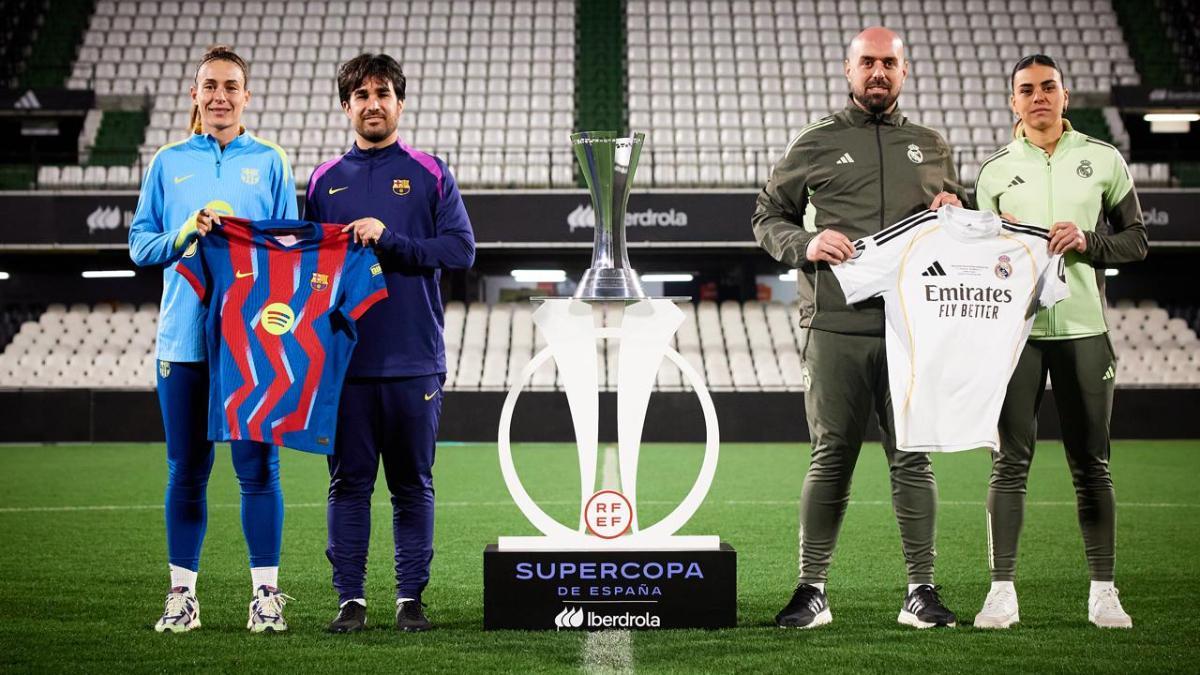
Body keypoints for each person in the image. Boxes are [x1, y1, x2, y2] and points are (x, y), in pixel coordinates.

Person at [752, 27, 966, 629]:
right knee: (831, 457)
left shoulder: (932, 145)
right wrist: (806, 241)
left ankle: (921, 591)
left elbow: (961, 221)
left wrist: (958, 210)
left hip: (914, 329)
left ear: (905, 71)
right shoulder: (816, 141)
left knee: (913, 459)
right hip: (836, 326)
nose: (878, 72)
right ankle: (811, 590)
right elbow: (767, 215)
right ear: (849, 70)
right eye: (867, 62)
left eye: (888, 63)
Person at [972, 54, 1147, 630]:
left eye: (1049, 87)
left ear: (1065, 96)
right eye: (1027, 89)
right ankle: (1001, 592)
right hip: (1015, 338)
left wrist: (1089, 242)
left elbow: (1137, 241)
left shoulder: (1103, 159)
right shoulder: (994, 172)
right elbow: (977, 259)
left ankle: (1103, 591)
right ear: (1013, 102)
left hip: (1084, 333)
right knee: (1007, 465)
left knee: (1092, 464)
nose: (1039, 96)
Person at [128, 45, 298, 633]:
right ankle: (182, 598)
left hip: (251, 343)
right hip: (182, 341)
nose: (220, 96)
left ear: (247, 97)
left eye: (231, 86)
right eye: (210, 86)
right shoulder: (167, 163)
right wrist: (184, 232)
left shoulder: (272, 161)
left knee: (259, 471)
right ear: (195, 95)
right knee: (186, 472)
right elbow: (139, 245)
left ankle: (266, 598)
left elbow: (289, 255)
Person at [304, 53, 475, 633]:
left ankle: (410, 601)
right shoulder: (324, 181)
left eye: (382, 93)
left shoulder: (431, 172)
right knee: (347, 483)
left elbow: (460, 251)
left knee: (411, 484)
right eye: (360, 95)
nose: (372, 103)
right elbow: (308, 272)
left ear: (400, 102)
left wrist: (391, 239)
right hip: (345, 364)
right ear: (346, 105)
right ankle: (350, 600)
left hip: (413, 361)